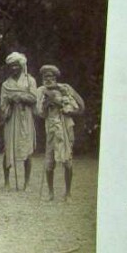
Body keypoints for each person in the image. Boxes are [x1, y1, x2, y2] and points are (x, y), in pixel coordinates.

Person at [36, 65, 85, 202]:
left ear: (56, 77)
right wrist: (47, 103)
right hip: (51, 128)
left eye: (51, 76)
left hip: (65, 126)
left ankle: (68, 193)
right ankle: (50, 193)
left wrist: (67, 109)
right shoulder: (41, 91)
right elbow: (40, 114)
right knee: (49, 162)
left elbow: (80, 107)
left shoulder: (65, 88)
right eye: (46, 77)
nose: (48, 79)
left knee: (67, 161)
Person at [0, 52, 37, 190]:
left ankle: (26, 183)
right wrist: (9, 100)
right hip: (11, 119)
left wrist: (20, 97)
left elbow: (34, 98)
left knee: (27, 150)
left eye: (16, 65)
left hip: (25, 118)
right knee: (8, 149)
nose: (13, 68)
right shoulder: (5, 84)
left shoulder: (30, 81)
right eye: (11, 66)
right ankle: (7, 182)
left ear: (21, 65)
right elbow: (2, 104)